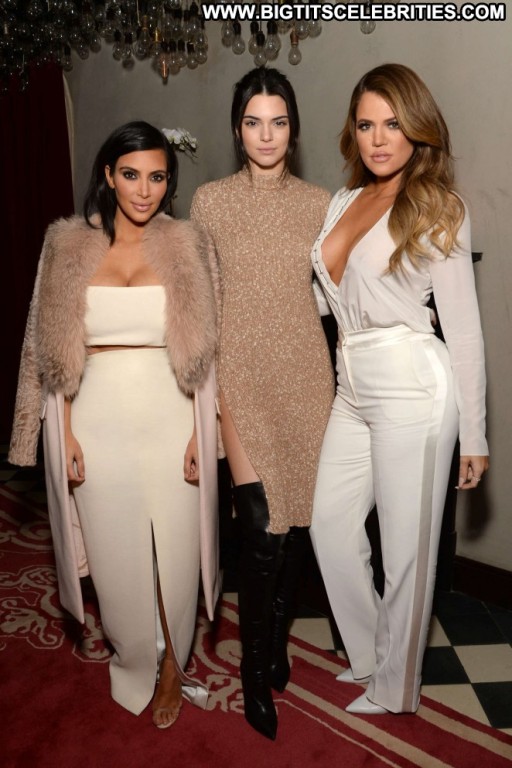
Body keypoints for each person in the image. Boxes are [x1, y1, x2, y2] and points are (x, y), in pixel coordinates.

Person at [8, 121, 220, 728]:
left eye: (157, 177)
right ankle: (133, 660)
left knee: (176, 552)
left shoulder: (189, 244)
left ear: (169, 182)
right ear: (108, 175)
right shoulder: (66, 245)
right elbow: (47, 345)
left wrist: (201, 433)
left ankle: (174, 665)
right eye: (131, 175)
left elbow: (211, 347)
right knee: (115, 556)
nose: (144, 190)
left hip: (172, 415)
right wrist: (61, 431)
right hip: (95, 424)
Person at [310, 63, 489, 716]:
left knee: (407, 553)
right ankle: (368, 657)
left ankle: (394, 689)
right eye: (366, 125)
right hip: (351, 381)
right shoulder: (342, 201)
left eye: (393, 124)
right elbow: (328, 299)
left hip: (414, 384)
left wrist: (476, 434)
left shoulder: (439, 206)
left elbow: (463, 328)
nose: (379, 139)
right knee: (330, 526)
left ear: (418, 129)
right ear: (352, 132)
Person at [191, 68, 334, 739]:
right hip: (240, 379)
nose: (266, 135)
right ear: (236, 129)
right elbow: (202, 305)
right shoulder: (210, 202)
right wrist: (209, 395)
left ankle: (277, 644)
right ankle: (253, 673)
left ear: (293, 129)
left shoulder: (320, 204)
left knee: (297, 526)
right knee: (259, 528)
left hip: (306, 377)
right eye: (253, 122)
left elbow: (339, 295)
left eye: (278, 122)